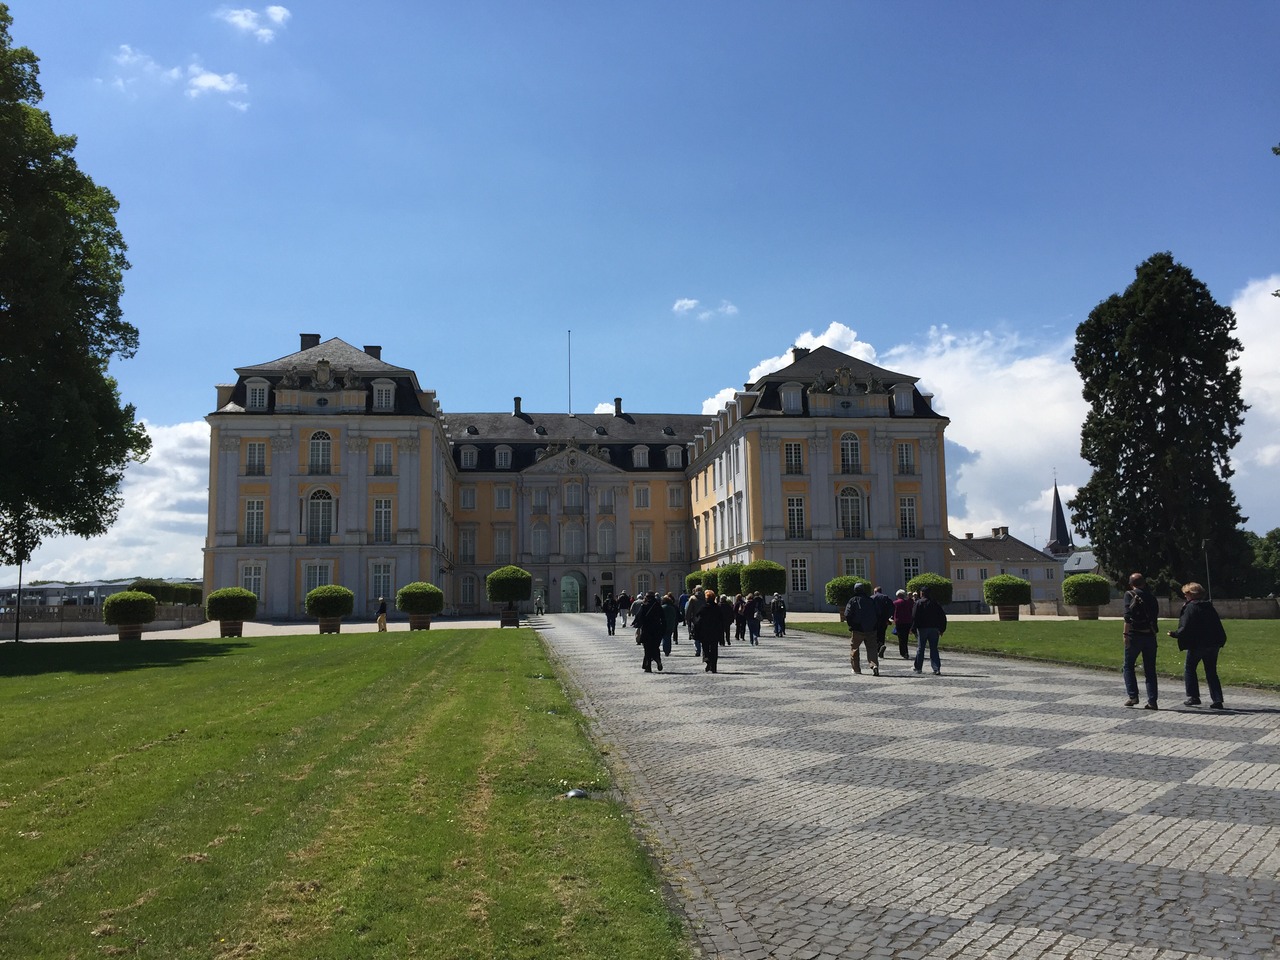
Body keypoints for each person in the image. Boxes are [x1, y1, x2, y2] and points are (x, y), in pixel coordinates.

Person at [1170, 581, 1227, 709]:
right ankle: (1217, 699)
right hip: (1213, 643)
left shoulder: (1190, 607)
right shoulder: (1208, 606)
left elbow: (1186, 626)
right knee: (1211, 671)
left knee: (1190, 668)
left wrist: (1175, 634)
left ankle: (1193, 696)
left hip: (1197, 644)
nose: (1185, 596)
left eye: (1186, 594)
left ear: (1191, 594)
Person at [1122, 572, 1160, 710]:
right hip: (1150, 635)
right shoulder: (1151, 597)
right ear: (1144, 583)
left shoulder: (1129, 594)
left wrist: (1125, 634)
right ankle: (1152, 700)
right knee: (1150, 669)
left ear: (1131, 584)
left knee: (1128, 666)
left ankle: (1133, 696)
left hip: (1135, 635)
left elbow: (1128, 616)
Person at [843, 583, 879, 676]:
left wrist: (851, 625)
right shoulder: (870, 600)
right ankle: (874, 665)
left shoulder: (853, 600)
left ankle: (856, 669)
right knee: (872, 648)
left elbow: (847, 614)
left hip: (857, 629)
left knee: (854, 648)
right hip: (871, 629)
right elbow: (877, 613)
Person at [911, 586, 946, 675]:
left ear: (922, 593)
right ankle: (936, 668)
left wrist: (913, 628)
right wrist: (942, 629)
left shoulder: (918, 603)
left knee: (920, 648)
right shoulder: (935, 603)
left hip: (922, 628)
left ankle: (918, 667)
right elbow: (942, 616)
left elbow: (914, 617)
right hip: (934, 628)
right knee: (934, 648)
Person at [636, 591, 666, 673]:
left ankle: (648, 666)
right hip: (657, 630)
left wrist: (638, 625)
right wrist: (663, 629)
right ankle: (658, 660)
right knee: (655, 647)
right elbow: (663, 618)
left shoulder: (644, 606)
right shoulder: (658, 606)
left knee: (647, 649)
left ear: (647, 597)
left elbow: (639, 617)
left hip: (646, 630)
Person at [692, 589, 721, 672]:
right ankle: (714, 667)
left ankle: (707, 660)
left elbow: (698, 620)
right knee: (714, 649)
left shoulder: (704, 608)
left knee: (705, 648)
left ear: (706, 599)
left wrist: (696, 630)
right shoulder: (717, 608)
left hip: (705, 632)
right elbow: (721, 621)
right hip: (715, 632)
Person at [891, 589, 915, 660]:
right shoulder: (908, 603)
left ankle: (903, 652)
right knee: (905, 637)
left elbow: (893, 612)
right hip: (907, 621)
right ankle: (906, 651)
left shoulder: (895, 603)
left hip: (899, 622)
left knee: (901, 638)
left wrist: (892, 618)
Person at [872, 586, 894, 658]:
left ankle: (876, 649)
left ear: (875, 591)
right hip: (884, 619)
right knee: (882, 633)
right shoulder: (886, 598)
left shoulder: (872, 598)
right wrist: (888, 616)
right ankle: (881, 645)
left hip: (874, 619)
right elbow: (892, 607)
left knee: (875, 634)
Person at [685, 585, 705, 657]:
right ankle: (704, 650)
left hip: (695, 620)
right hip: (705, 619)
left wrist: (687, 619)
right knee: (704, 635)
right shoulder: (706, 597)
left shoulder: (692, 598)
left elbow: (688, 610)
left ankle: (698, 650)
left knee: (696, 636)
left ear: (695, 590)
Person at [661, 593, 679, 657]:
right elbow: (674, 616)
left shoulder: (662, 607)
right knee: (668, 637)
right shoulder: (672, 608)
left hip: (663, 625)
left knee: (664, 638)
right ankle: (668, 650)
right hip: (671, 625)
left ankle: (665, 650)